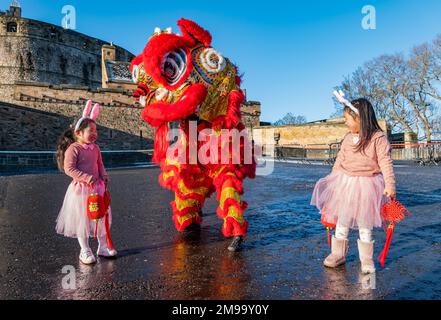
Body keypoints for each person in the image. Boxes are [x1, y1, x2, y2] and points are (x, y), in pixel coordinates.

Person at [311, 91, 396, 274]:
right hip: (346, 184)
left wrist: (390, 184)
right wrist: (332, 181)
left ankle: (366, 260)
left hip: (368, 185)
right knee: (342, 220)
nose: (345, 122)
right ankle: (337, 254)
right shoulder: (348, 138)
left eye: (347, 119)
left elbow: (385, 162)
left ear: (360, 119)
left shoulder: (377, 138)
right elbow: (340, 161)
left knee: (365, 224)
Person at [55, 100, 117, 265]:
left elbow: (99, 164)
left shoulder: (95, 148)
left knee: (101, 217)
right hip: (81, 190)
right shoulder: (73, 149)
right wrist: (86, 177)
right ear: (79, 133)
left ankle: (102, 246)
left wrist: (103, 175)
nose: (95, 133)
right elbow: (69, 169)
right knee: (82, 219)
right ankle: (85, 250)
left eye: (96, 130)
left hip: (97, 187)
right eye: (91, 130)